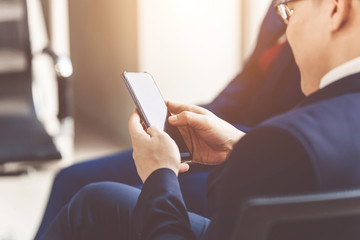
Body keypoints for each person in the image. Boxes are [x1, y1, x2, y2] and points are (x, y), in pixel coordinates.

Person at [39, 0, 360, 239]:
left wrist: (159, 174)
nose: (288, 29)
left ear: (335, 10)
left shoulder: (286, 139)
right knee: (97, 199)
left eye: (290, 13)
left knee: (90, 200)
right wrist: (241, 144)